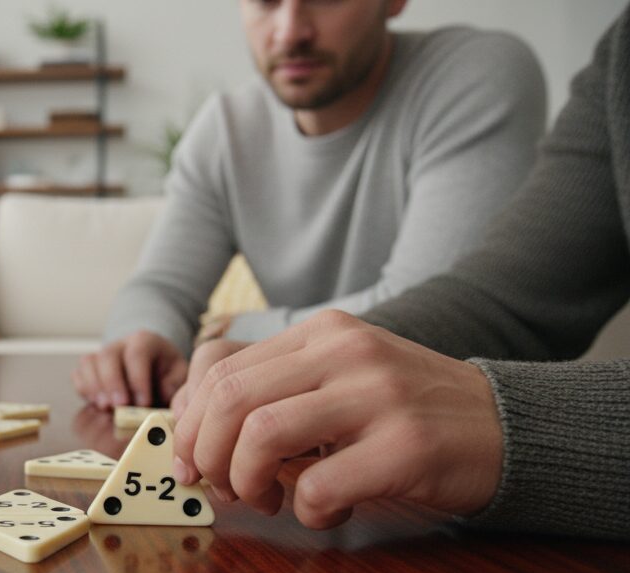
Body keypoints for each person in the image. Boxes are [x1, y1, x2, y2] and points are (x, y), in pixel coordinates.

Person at [171, 5, 630, 540]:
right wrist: (317, 359)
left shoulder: (474, 69)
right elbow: (501, 302)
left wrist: (514, 426)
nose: (291, 29)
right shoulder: (619, 56)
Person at [73, 0, 547, 410]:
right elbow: (159, 287)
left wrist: (234, 331)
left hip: (464, 447)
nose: (290, 31)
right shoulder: (224, 130)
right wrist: (142, 339)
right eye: (265, 1)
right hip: (300, 437)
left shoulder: (478, 73)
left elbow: (436, 312)